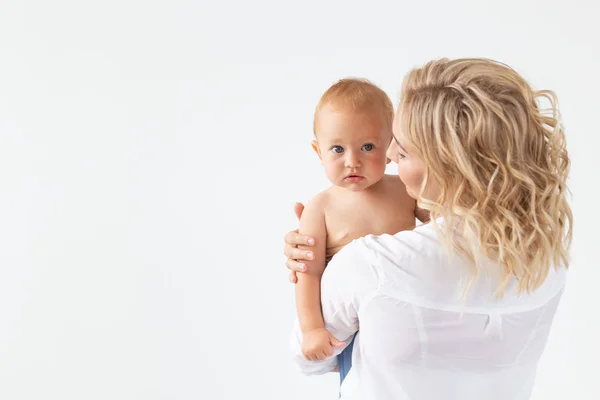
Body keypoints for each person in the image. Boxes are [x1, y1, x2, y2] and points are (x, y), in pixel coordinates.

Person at [284, 58, 573, 400]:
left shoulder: (369, 265)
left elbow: (310, 358)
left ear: (446, 167)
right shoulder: (547, 255)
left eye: (403, 151)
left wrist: (330, 275)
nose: (388, 154)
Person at [294, 78, 429, 387]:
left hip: (406, 310)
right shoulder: (320, 208)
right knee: (363, 385)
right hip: (352, 323)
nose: (352, 161)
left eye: (368, 147)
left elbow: (442, 227)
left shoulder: (405, 190)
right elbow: (308, 274)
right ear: (319, 152)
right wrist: (312, 329)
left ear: (391, 146)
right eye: (337, 149)